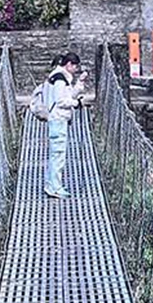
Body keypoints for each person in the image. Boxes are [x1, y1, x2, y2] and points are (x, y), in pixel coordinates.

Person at [43, 52, 86, 199]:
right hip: (57, 119)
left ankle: (52, 185)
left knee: (57, 154)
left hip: (58, 120)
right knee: (58, 155)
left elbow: (69, 95)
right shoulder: (60, 79)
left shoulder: (61, 77)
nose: (75, 69)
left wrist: (79, 83)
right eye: (75, 66)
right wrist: (76, 104)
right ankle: (54, 187)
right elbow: (61, 101)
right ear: (68, 64)